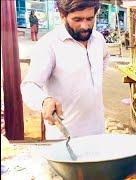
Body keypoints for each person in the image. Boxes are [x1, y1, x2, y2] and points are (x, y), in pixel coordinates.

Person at [21, 0, 109, 140]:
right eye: (77, 19)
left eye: (90, 18)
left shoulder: (99, 40)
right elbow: (29, 85)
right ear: (62, 15)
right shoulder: (48, 44)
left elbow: (104, 59)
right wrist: (44, 101)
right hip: (63, 137)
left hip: (97, 132)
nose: (85, 26)